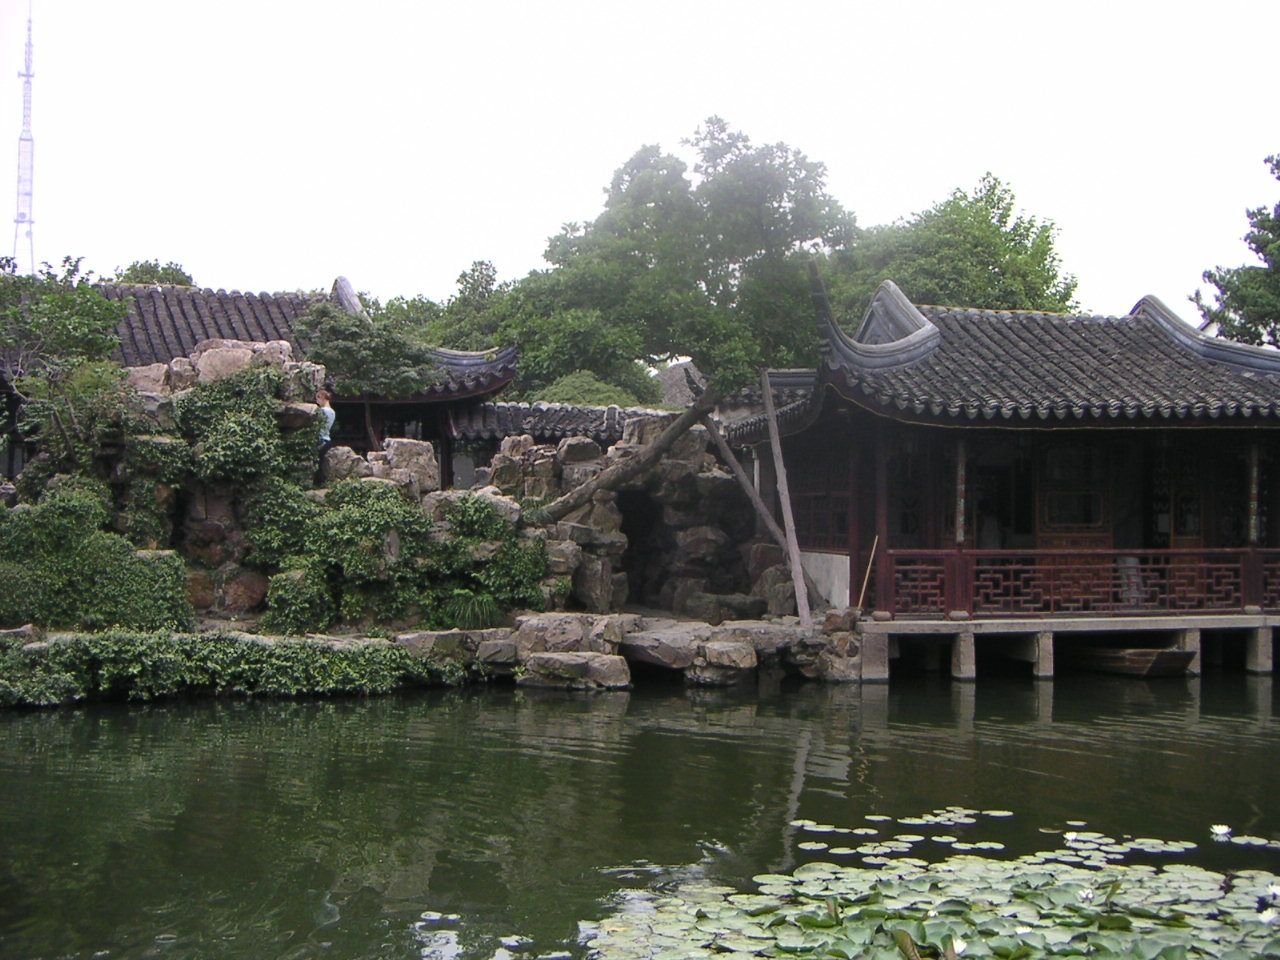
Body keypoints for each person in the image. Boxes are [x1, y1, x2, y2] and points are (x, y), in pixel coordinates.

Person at [316, 389, 336, 461]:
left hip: (320, 440)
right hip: (327, 440)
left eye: (317, 399)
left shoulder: (322, 410)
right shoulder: (333, 412)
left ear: (322, 397)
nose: (317, 402)